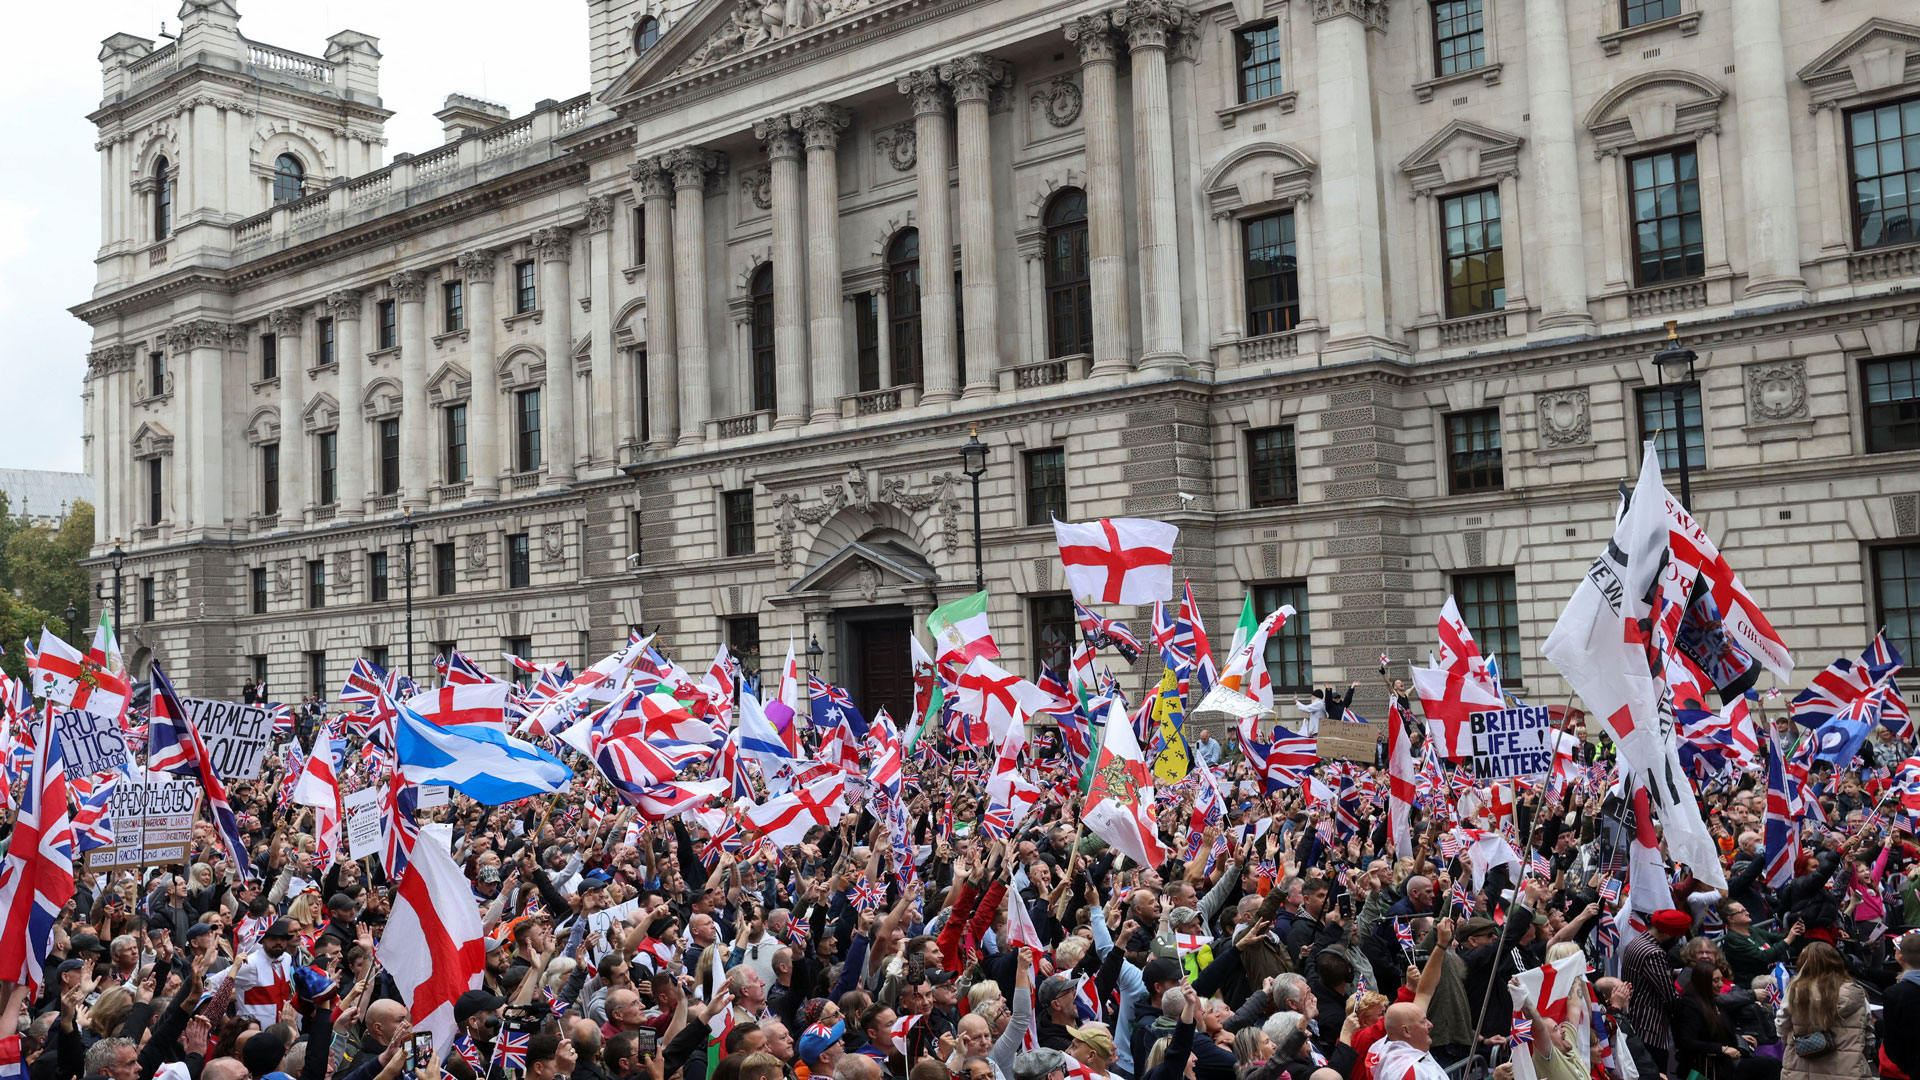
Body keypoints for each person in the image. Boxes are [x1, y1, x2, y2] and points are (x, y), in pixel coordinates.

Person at [1777, 942, 1870, 1080]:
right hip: (1846, 1067)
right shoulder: (1855, 992)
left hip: (1802, 1065)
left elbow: (1782, 1025)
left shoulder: (1795, 991)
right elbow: (1867, 1028)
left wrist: (1789, 1041)